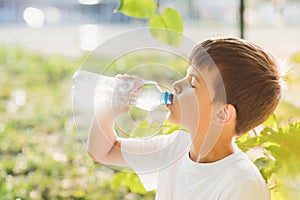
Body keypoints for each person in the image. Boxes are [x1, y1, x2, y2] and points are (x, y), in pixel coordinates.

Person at [87, 37, 282, 199]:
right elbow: (103, 151)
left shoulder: (241, 184)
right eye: (185, 75)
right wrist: (108, 110)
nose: (178, 85)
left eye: (193, 83)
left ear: (222, 114)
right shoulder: (175, 148)